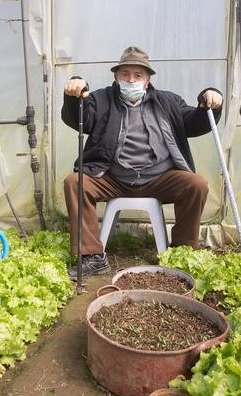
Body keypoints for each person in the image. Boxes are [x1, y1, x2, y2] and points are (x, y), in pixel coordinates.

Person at [61, 46, 223, 280]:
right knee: (75, 182)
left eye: (138, 75)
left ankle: (182, 252)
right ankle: (92, 256)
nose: (131, 80)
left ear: (147, 80)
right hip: (113, 177)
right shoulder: (101, 99)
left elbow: (195, 123)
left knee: (196, 184)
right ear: (116, 77)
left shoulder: (168, 102)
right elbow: (79, 119)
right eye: (125, 74)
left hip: (159, 178)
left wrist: (210, 99)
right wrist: (74, 95)